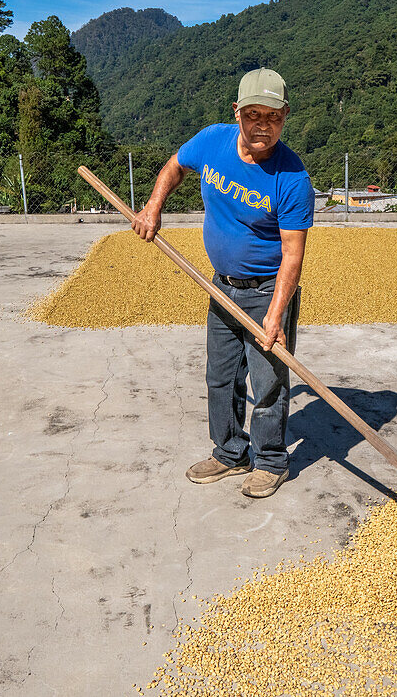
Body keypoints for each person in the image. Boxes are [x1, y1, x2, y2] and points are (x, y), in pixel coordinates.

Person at [132, 68, 315, 498]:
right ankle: (231, 452)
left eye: (272, 116)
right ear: (237, 113)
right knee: (220, 376)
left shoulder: (292, 179)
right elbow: (175, 167)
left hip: (267, 291)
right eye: (253, 114)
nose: (262, 125)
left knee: (267, 383)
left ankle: (271, 461)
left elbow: (293, 254)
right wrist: (153, 207)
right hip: (220, 286)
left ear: (285, 116)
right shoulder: (212, 141)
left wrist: (275, 316)